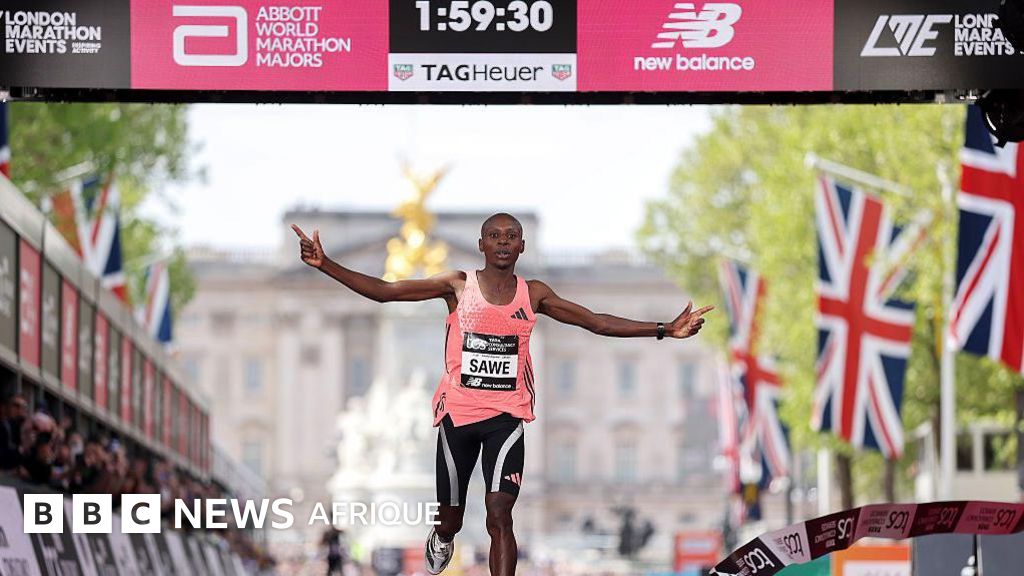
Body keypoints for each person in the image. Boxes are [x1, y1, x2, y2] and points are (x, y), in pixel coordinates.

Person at [291, 214, 712, 576]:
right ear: (481, 245)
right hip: (457, 418)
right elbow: (386, 291)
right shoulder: (457, 286)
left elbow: (595, 322)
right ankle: (442, 535)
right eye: (495, 236)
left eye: (511, 236)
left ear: (522, 246)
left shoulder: (534, 294)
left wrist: (664, 329)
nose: (503, 242)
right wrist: (326, 264)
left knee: (499, 514)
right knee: (451, 518)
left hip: (506, 420)